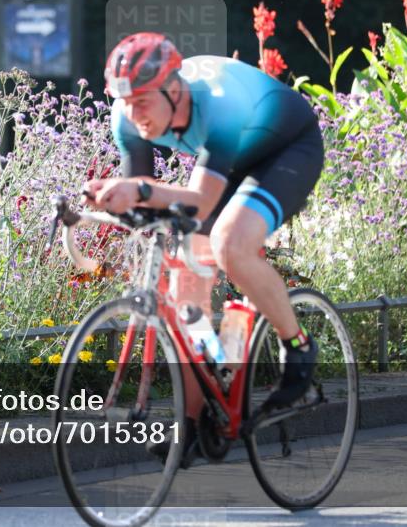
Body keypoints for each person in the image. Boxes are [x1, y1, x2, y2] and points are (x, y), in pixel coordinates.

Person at [83, 32, 325, 460]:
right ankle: (194, 424)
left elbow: (199, 201)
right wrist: (105, 201)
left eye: (143, 101)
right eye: (126, 102)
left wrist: (136, 190)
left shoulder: (216, 104)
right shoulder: (126, 117)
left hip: (286, 148)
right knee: (183, 293)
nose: (134, 114)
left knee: (230, 242)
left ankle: (299, 345)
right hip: (225, 161)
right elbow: (145, 195)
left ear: (173, 89)